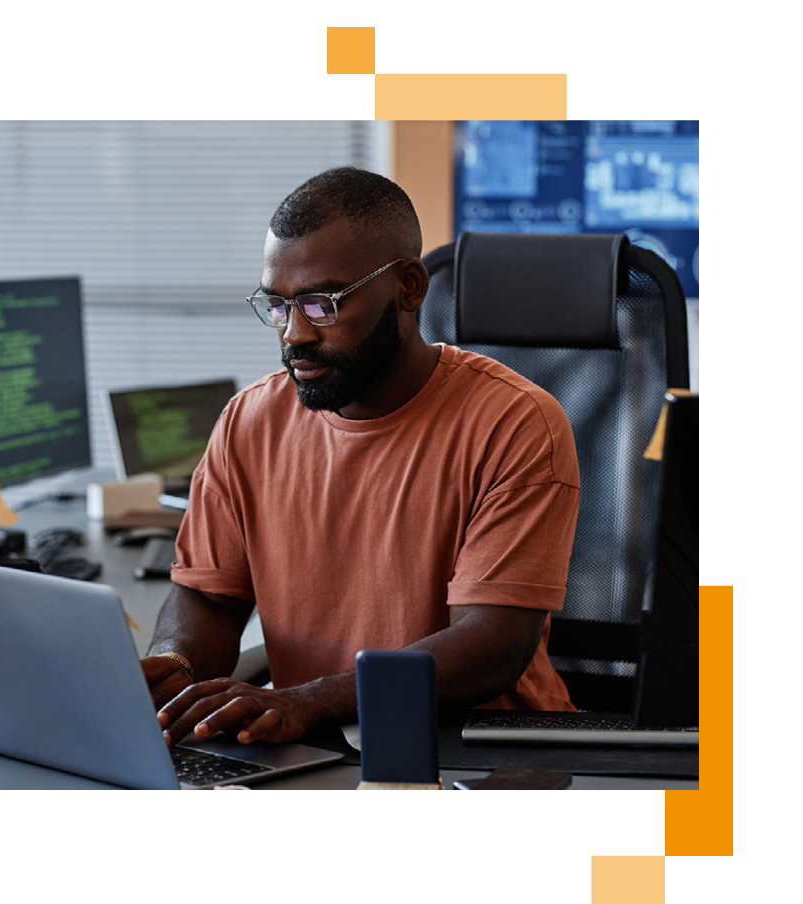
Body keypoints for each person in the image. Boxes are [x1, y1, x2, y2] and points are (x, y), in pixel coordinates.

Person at [142, 166, 580, 748]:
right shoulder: (248, 421)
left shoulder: (516, 422)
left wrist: (304, 702)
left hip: (476, 746)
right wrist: (178, 668)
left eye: (321, 305)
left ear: (408, 287)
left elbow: (492, 641)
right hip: (313, 743)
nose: (293, 333)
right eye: (278, 305)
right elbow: (209, 597)